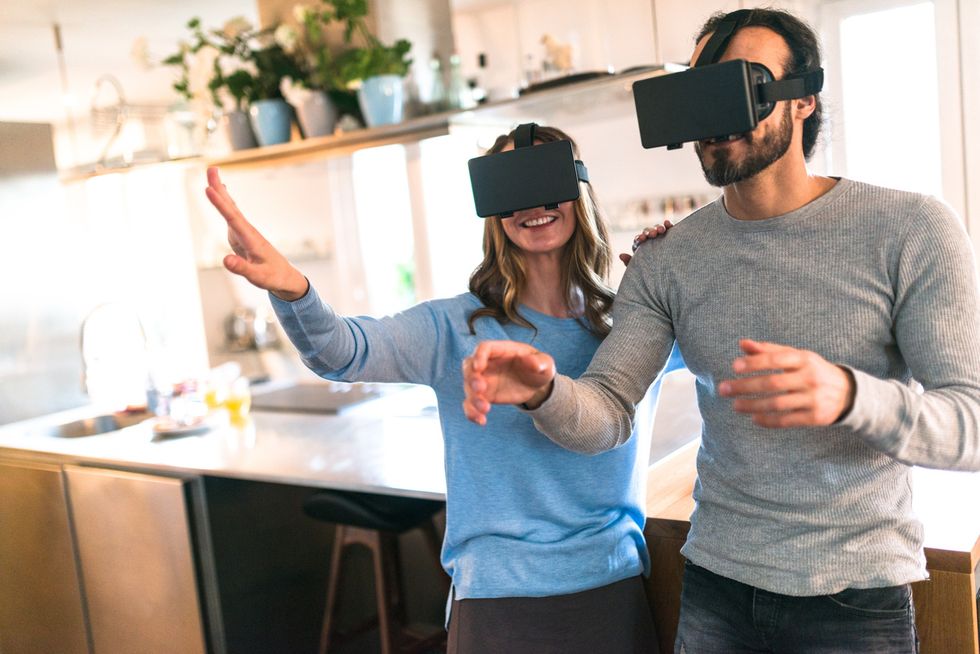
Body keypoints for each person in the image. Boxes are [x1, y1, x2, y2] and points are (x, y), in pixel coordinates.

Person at [461, 8, 980, 654]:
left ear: (804, 100)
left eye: (747, 82)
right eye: (702, 87)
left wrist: (850, 395)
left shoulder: (911, 230)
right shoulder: (670, 258)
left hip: (853, 596)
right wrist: (545, 391)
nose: (717, 112)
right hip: (718, 590)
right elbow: (607, 411)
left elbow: (970, 424)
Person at [204, 125, 677, 654]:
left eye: (548, 182)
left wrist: (677, 285)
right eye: (511, 189)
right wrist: (292, 286)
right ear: (492, 210)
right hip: (497, 603)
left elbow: (725, 350)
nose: (533, 205)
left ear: (579, 190)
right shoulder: (454, 329)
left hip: (610, 589)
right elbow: (342, 351)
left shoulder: (633, 327)